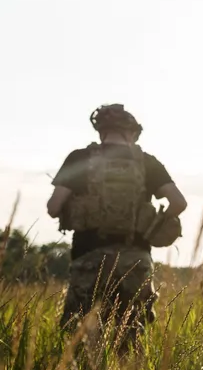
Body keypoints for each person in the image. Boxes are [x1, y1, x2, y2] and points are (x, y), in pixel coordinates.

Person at [47, 104, 186, 344]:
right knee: (130, 334)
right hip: (136, 260)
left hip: (89, 258)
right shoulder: (147, 162)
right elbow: (178, 202)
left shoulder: (79, 158)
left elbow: (53, 208)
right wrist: (152, 226)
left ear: (100, 131)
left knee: (82, 335)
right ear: (132, 133)